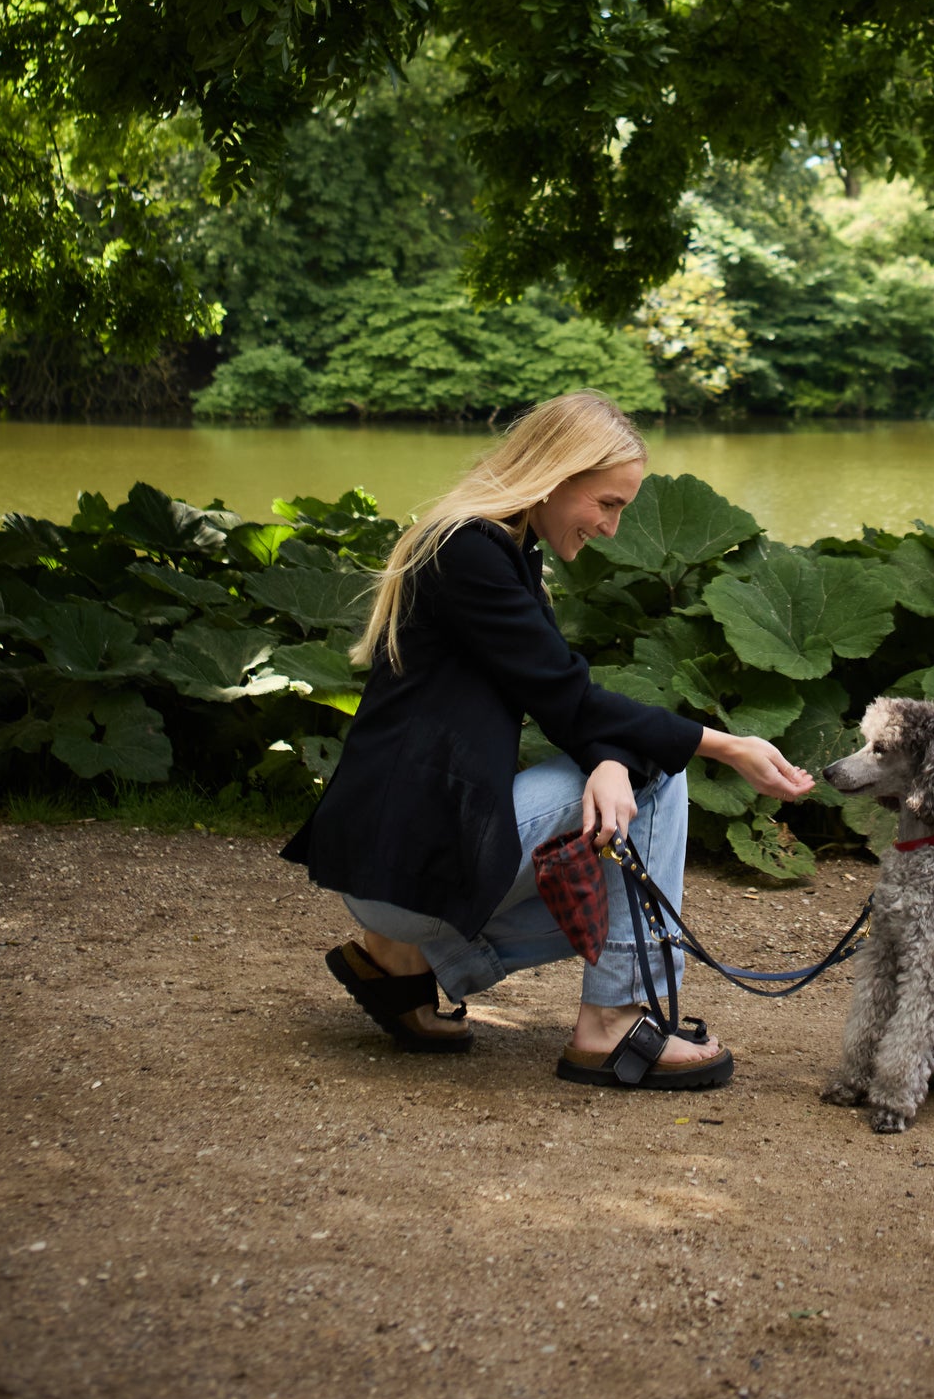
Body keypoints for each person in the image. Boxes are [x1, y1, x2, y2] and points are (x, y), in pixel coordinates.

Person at [281, 391, 812, 1090]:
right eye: (607, 503)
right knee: (665, 783)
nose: (613, 528)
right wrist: (725, 745)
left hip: (396, 866)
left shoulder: (503, 551)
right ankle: (611, 1023)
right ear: (555, 476)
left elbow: (561, 699)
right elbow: (570, 697)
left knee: (627, 883)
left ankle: (402, 959)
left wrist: (612, 760)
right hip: (401, 854)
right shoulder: (466, 551)